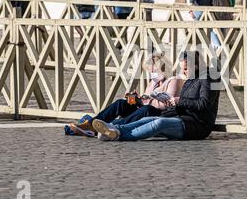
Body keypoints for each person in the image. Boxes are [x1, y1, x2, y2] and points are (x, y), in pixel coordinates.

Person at [92, 51, 221, 142]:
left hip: (198, 124)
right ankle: (114, 129)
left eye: (186, 69)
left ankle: (118, 135)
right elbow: (183, 104)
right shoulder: (190, 79)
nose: (183, 72)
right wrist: (172, 104)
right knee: (149, 119)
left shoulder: (208, 78)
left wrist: (179, 101)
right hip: (182, 118)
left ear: (196, 66)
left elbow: (204, 104)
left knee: (158, 123)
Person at [64, 52, 185, 136]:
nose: (151, 73)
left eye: (152, 70)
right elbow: (146, 98)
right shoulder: (153, 82)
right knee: (121, 103)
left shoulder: (172, 80)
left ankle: (112, 127)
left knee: (146, 109)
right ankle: (91, 125)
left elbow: (167, 104)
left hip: (159, 113)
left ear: (161, 67)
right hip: (145, 108)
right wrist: (135, 97)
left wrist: (145, 100)